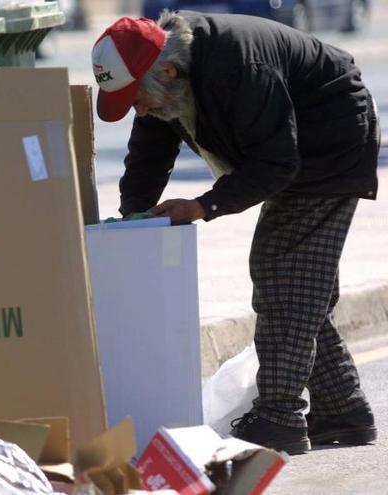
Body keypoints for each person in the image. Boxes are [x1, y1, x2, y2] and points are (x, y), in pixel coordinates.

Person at [91, 11, 380, 454]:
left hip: (331, 142)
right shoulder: (163, 71)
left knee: (282, 273)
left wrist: (203, 206)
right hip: (292, 147)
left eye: (137, 99)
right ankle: (342, 409)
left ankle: (279, 416)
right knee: (299, 287)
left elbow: (277, 163)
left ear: (168, 71)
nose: (140, 109)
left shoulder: (239, 69)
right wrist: (136, 216)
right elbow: (149, 150)